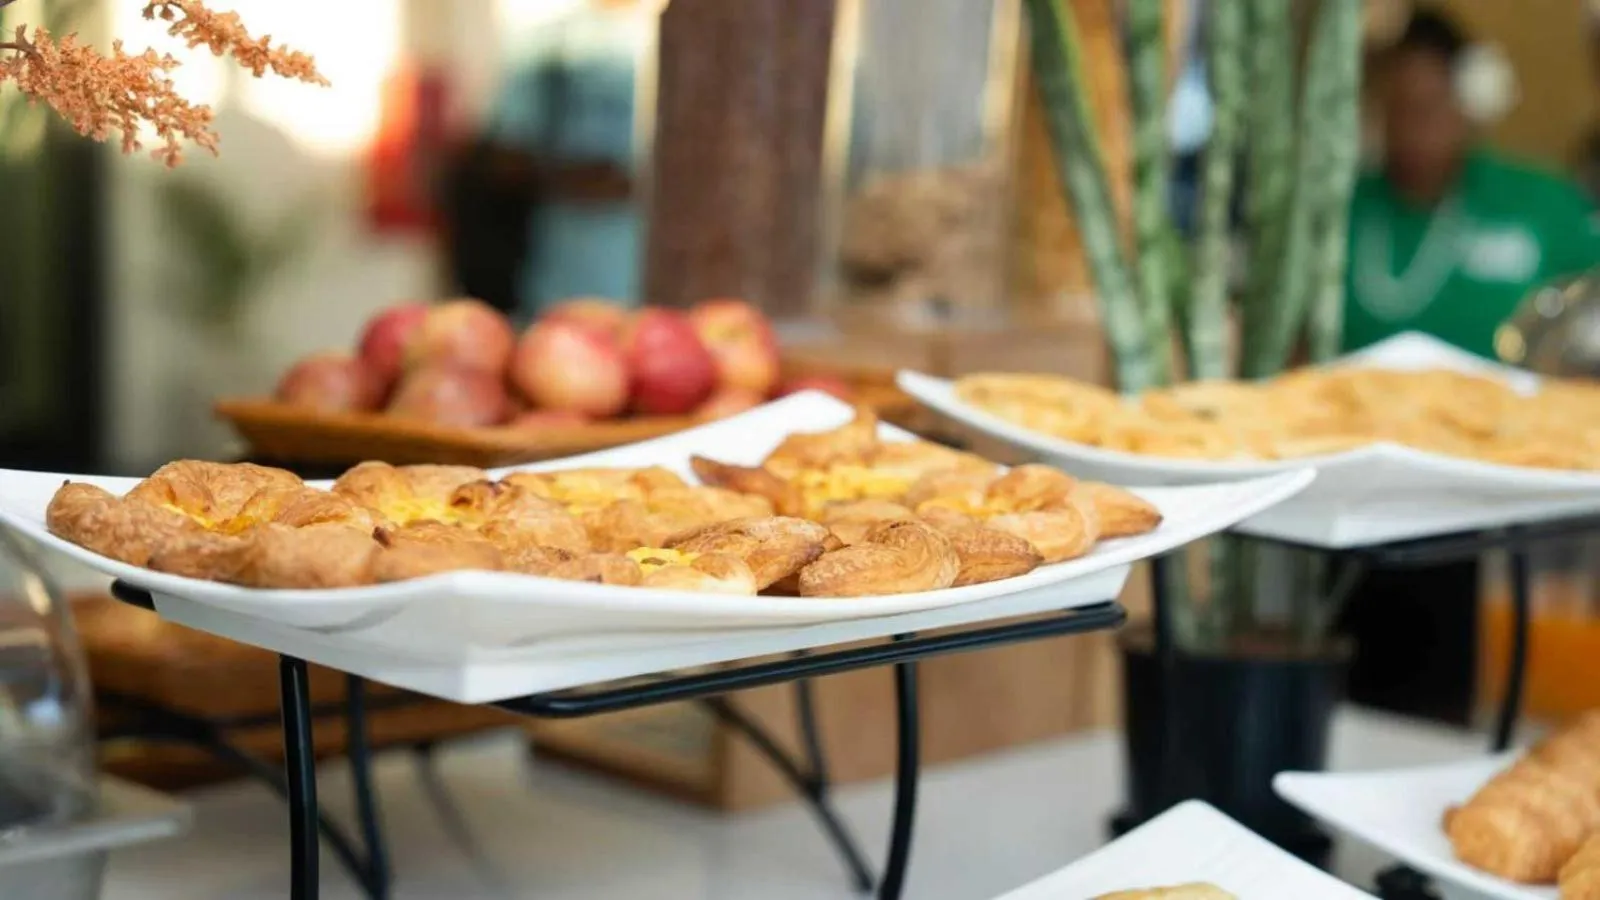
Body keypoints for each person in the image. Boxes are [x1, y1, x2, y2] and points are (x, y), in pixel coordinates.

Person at [1343, 8, 1600, 361]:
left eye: (1427, 109)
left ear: (1467, 105)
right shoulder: (1346, 213)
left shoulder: (1540, 203)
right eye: (1397, 108)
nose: (1411, 131)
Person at [467, 0, 652, 322]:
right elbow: (506, 159)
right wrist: (578, 179)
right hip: (561, 283)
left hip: (650, 288)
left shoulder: (681, 38)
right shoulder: (547, 44)